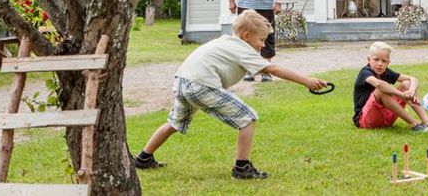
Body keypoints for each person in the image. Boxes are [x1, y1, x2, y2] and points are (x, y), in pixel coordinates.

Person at [133, 10, 328, 180]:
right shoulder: (243, 48)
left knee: (174, 122)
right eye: (260, 40)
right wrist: (307, 81)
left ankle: (143, 158)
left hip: (183, 81)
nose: (262, 45)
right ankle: (242, 168)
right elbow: (273, 69)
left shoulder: (225, 40)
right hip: (202, 85)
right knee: (248, 118)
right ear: (245, 36)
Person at [352, 42, 428, 132]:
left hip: (386, 119)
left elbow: (413, 79)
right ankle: (414, 124)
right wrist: (401, 95)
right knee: (381, 90)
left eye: (384, 61)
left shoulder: (386, 72)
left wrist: (411, 91)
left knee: (407, 84)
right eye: (376, 59)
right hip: (365, 120)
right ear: (368, 59)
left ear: (388, 62)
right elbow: (379, 84)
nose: (380, 64)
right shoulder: (365, 73)